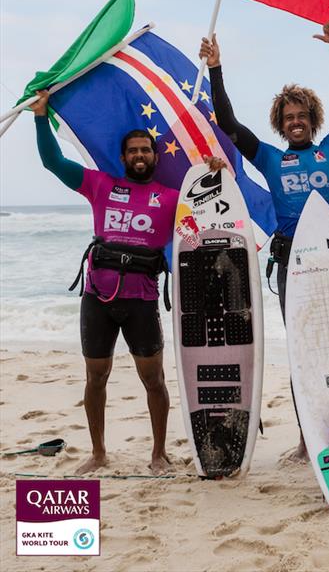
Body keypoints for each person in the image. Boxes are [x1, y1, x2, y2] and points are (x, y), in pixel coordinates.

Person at [199, 8, 329, 461]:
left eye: (302, 115)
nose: (296, 121)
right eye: (289, 115)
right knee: (304, 349)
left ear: (313, 119)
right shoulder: (271, 159)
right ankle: (309, 437)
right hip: (294, 263)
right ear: (280, 121)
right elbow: (229, 124)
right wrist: (216, 69)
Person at [32, 90, 223, 475]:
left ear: (154, 157)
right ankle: (99, 452)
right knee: (95, 377)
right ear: (123, 158)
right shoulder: (100, 186)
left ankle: (158, 454)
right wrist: (40, 117)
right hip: (97, 297)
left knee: (153, 378)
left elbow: (207, 217)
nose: (139, 156)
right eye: (133, 151)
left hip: (141, 299)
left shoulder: (172, 198)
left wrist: (213, 173)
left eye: (145, 151)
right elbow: (53, 161)